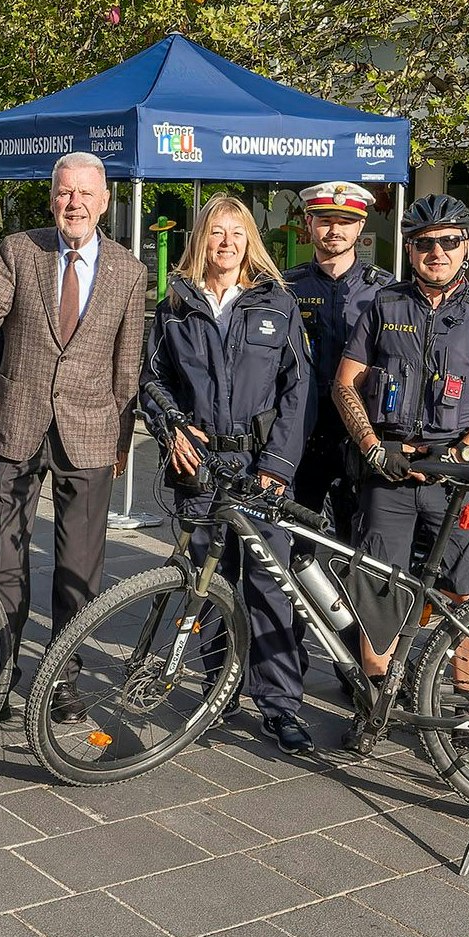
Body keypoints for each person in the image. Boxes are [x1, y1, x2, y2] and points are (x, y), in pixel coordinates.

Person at [0, 151, 148, 723]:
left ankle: (61, 681)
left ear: (104, 202)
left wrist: (119, 443)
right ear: (52, 197)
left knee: (78, 568)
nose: (74, 203)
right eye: (65, 192)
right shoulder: (21, 250)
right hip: (17, 428)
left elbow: (127, 368)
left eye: (85, 194)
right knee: (9, 565)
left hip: (88, 436)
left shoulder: (129, 271)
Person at [332, 194, 469, 751]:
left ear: (466, 247)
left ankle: (466, 715)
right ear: (409, 249)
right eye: (423, 243)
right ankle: (376, 706)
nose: (435, 252)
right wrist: (372, 446)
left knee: (468, 594)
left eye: (447, 241)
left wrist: (461, 457)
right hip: (388, 467)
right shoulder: (382, 305)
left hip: (458, 473)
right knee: (379, 588)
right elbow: (346, 383)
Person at [143, 196, 313, 751]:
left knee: (269, 588)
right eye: (215, 233)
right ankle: (218, 690)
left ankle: (281, 705)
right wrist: (172, 429)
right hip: (198, 464)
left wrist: (279, 467)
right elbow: (152, 381)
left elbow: (297, 392)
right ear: (200, 239)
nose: (225, 244)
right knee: (208, 584)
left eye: (235, 235)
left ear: (249, 242)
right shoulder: (175, 305)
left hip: (259, 467)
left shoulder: (278, 304)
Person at [283, 181, 391, 541]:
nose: (334, 230)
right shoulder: (285, 288)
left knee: (360, 541)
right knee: (296, 535)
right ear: (309, 224)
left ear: (360, 227)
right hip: (303, 431)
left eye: (345, 221)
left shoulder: (385, 292)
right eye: (325, 220)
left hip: (361, 433)